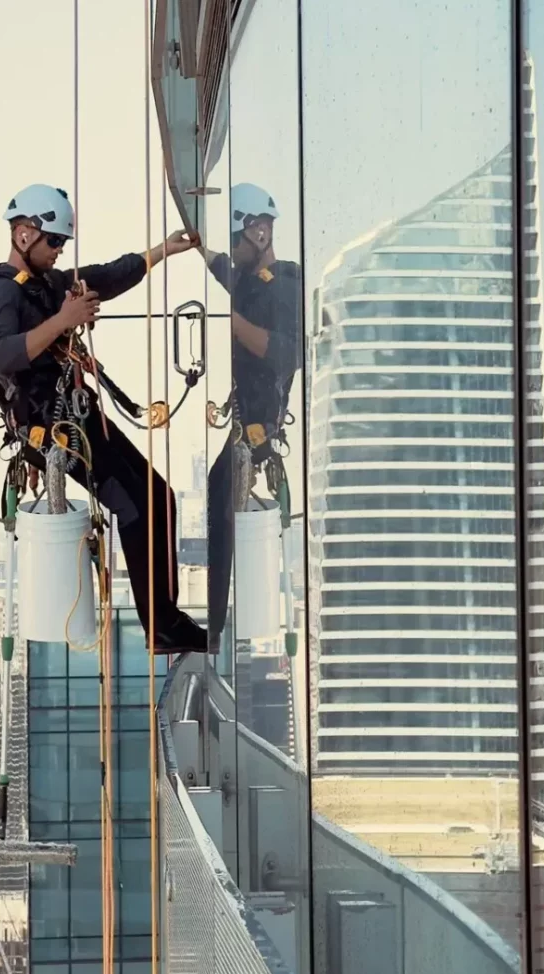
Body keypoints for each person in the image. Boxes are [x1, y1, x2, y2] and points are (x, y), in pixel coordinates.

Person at [0, 183, 208, 655]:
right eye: (53, 241)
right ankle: (162, 628)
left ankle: (167, 621)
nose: (59, 251)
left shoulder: (46, 286)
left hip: (75, 419)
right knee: (137, 507)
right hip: (52, 429)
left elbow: (108, 275)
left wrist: (163, 251)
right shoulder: (0, 294)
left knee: (158, 497)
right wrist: (65, 320)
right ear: (24, 236)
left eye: (61, 243)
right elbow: (1, 355)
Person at [202, 183, 302, 651]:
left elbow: (284, 353)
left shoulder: (285, 284)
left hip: (258, 423)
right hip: (244, 420)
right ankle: (219, 628)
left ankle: (220, 631)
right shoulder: (244, 278)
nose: (236, 251)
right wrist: (194, 238)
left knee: (224, 500)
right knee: (218, 498)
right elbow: (222, 265)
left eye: (240, 239)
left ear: (260, 233)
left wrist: (230, 323)